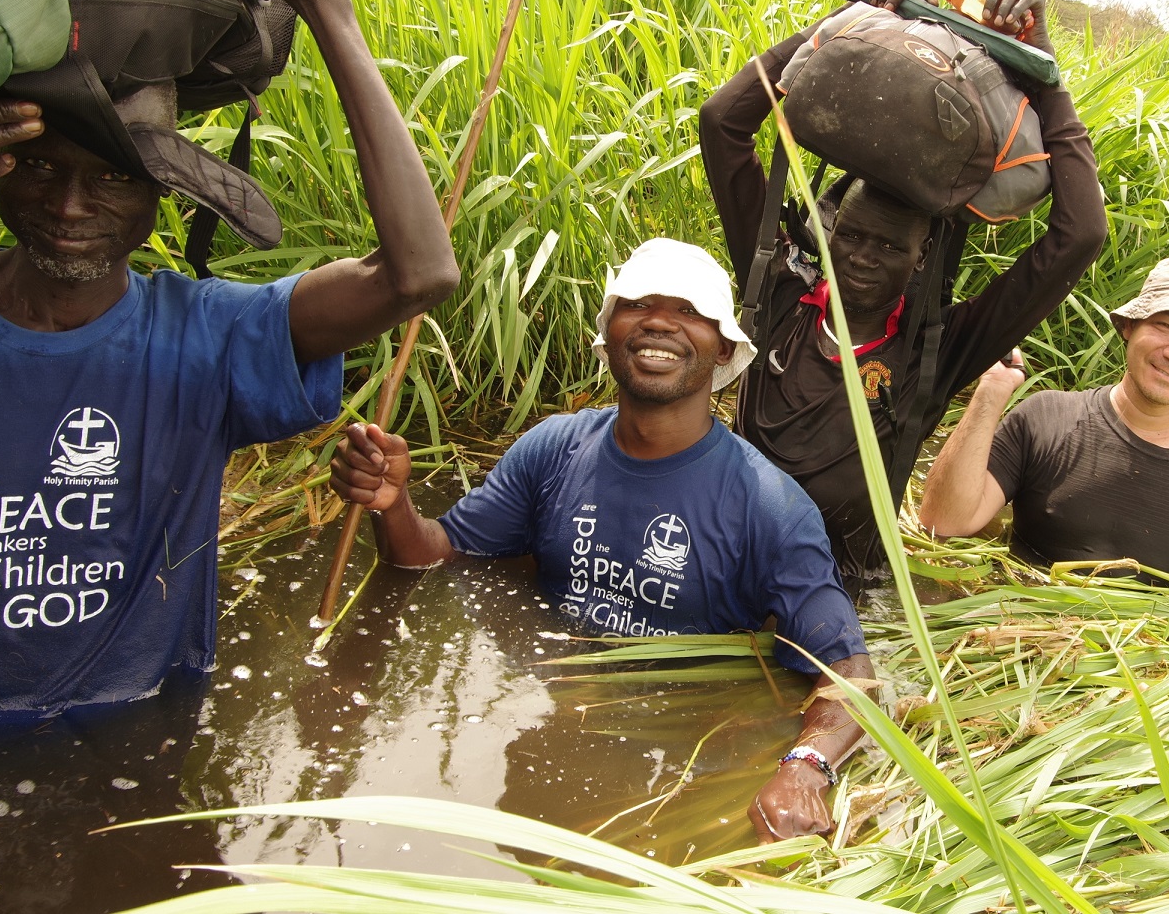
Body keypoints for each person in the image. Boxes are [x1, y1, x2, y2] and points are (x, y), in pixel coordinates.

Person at [0, 0, 460, 718]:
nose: (71, 207)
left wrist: (322, 0)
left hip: (137, 756)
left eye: (115, 179)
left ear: (165, 195)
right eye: (42, 167)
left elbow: (417, 273)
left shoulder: (205, 335)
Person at [329, 238, 874, 842]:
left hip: (680, 753)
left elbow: (850, 673)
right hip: (551, 706)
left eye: (689, 311)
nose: (660, 322)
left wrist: (805, 769)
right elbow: (431, 555)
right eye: (637, 303)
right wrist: (392, 502)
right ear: (609, 330)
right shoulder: (552, 450)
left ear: (723, 348)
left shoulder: (767, 505)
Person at [700, 0, 1107, 582]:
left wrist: (1042, 70)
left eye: (888, 246)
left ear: (920, 259)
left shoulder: (934, 350)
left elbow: (1079, 235)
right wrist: (848, 27)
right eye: (853, 236)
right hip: (728, 560)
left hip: (842, 591)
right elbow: (723, 121)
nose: (862, 255)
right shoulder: (779, 291)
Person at [917, 253, 1169, 636]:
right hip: (1015, 639)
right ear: (1129, 327)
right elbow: (943, 523)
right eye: (1164, 325)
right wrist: (990, 394)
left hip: (1152, 671)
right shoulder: (1047, 417)